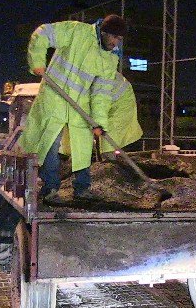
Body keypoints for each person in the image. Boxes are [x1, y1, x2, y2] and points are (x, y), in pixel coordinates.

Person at [17, 14, 127, 202]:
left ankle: (82, 188)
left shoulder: (110, 59)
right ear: (104, 32)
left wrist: (99, 122)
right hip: (54, 97)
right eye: (115, 38)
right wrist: (37, 62)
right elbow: (42, 33)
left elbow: (101, 93)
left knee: (83, 147)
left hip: (80, 105)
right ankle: (50, 188)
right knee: (50, 143)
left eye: (120, 40)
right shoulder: (76, 32)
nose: (116, 44)